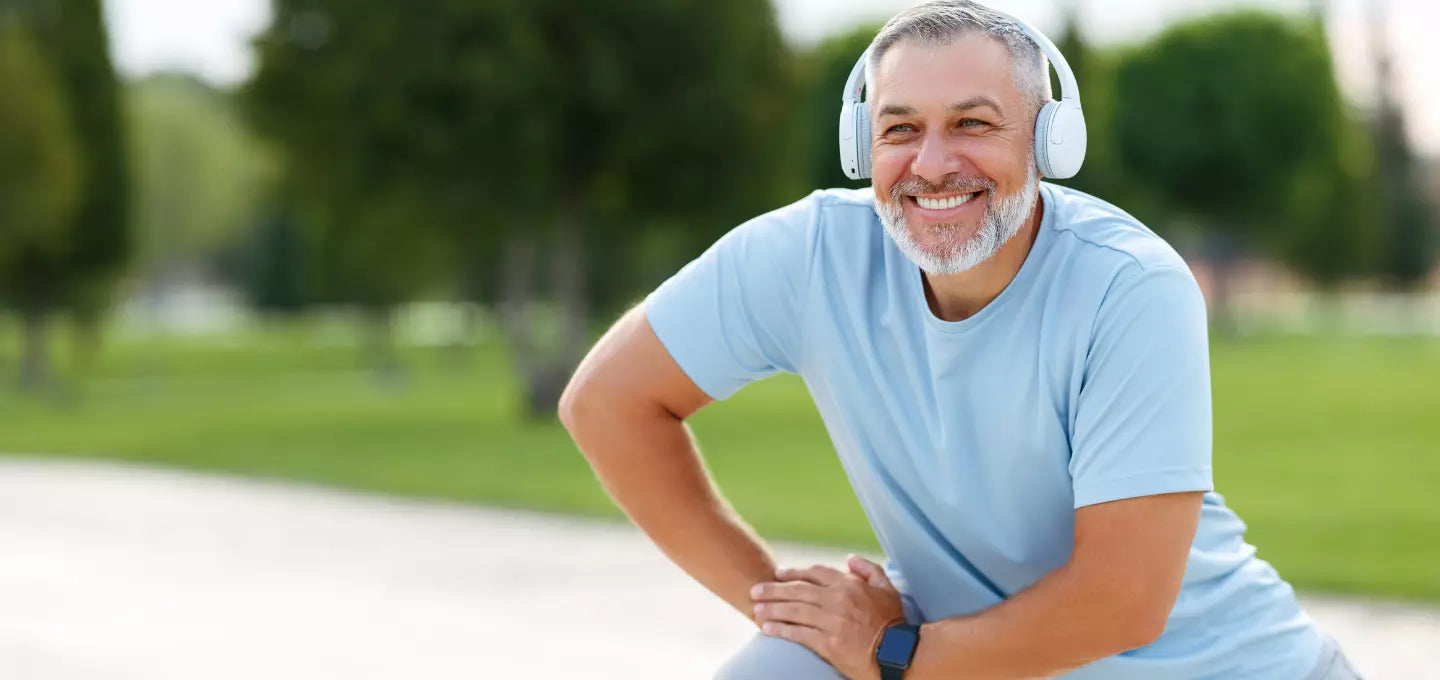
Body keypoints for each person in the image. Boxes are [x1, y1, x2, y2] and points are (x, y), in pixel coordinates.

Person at [558, 1, 1362, 678]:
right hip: (958, 656)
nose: (932, 163)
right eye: (899, 128)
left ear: (1050, 143)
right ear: (862, 146)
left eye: (972, 124)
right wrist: (797, 613)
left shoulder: (1129, 284)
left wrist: (895, 649)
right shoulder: (808, 255)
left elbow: (1125, 600)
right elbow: (609, 403)